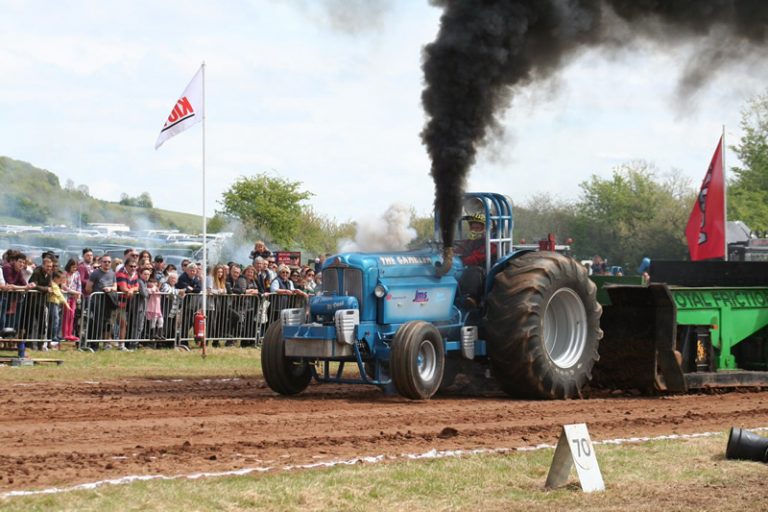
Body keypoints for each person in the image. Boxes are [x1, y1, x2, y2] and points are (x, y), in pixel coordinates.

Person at [454, 213, 497, 309]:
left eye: (477, 228)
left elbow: (476, 258)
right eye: (472, 228)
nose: (474, 230)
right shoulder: (469, 241)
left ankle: (471, 299)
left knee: (474, 271)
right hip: (466, 268)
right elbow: (459, 250)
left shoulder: (491, 245)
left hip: (485, 272)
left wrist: (461, 260)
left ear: (485, 229)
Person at [86, 254, 118, 344]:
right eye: (105, 262)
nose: (107, 263)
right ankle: (94, 343)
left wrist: (110, 289)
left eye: (109, 262)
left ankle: (106, 343)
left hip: (108, 302)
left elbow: (115, 286)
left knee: (108, 323)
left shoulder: (112, 273)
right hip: (97, 303)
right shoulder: (95, 273)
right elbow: (88, 288)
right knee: (97, 323)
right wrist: (99, 292)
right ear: (101, 263)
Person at [47, 269, 72, 350]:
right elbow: (59, 295)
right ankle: (52, 337)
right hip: (52, 303)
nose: (62, 280)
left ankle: (55, 336)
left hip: (56, 304)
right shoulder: (53, 285)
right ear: (55, 278)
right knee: (55, 320)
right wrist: (67, 305)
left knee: (56, 320)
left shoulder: (56, 285)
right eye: (60, 278)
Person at [62, 258, 82, 342]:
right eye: (73, 267)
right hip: (66, 297)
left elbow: (79, 285)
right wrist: (74, 292)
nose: (74, 269)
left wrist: (79, 295)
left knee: (72, 316)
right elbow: (64, 286)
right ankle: (64, 334)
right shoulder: (64, 274)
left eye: (76, 267)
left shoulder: (77, 274)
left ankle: (70, 333)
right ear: (69, 266)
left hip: (74, 298)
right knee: (66, 316)